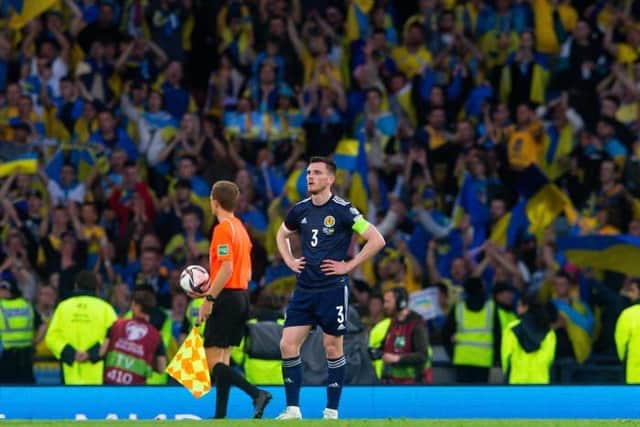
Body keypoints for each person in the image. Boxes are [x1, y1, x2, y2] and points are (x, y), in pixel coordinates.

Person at [275, 156, 386, 419]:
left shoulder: (344, 210)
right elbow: (282, 234)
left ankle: (331, 411)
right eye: (308, 173)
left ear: (330, 179)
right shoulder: (300, 210)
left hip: (332, 289)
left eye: (316, 173)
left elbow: (376, 239)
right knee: (287, 344)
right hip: (304, 289)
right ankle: (292, 409)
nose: (310, 177)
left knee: (332, 347)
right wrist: (290, 260)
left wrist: (349, 266)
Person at [197, 180, 272, 419]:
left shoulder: (222, 229)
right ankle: (220, 416)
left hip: (226, 297)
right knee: (224, 359)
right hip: (241, 296)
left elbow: (226, 268)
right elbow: (245, 270)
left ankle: (256, 394)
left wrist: (209, 297)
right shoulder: (240, 227)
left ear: (214, 202)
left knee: (212, 363)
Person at [45, 270, 117, 384]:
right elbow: (115, 338)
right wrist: (91, 354)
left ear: (76, 285)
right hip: (98, 376)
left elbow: (52, 337)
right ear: (96, 287)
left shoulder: (63, 307)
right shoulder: (106, 309)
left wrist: (71, 353)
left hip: (70, 374)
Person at [101, 290, 166, 385]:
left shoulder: (117, 325)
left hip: (110, 385)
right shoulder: (156, 335)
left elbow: (102, 352)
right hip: (136, 390)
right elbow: (161, 367)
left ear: (136, 306)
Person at [369, 287, 430, 384]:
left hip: (414, 383)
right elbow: (387, 347)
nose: (385, 306)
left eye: (388, 302)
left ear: (401, 302)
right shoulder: (393, 323)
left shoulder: (417, 324)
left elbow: (422, 355)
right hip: (394, 382)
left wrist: (397, 358)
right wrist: (376, 352)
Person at [501, 295, 556, 384]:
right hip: (541, 381)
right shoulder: (549, 332)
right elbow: (550, 358)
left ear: (526, 307)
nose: (517, 308)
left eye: (519, 305)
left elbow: (505, 357)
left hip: (517, 380)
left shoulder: (511, 328)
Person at [0, 278, 38, 383]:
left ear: (10, 291)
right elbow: (43, 325)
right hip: (25, 355)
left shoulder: (2, 306)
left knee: (6, 389)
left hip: (9, 356)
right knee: (28, 389)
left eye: (3, 289)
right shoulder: (26, 305)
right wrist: (35, 341)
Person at [614, 278, 640, 383]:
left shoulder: (628, 314)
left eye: (632, 290)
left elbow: (621, 346)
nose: (629, 293)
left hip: (634, 375)